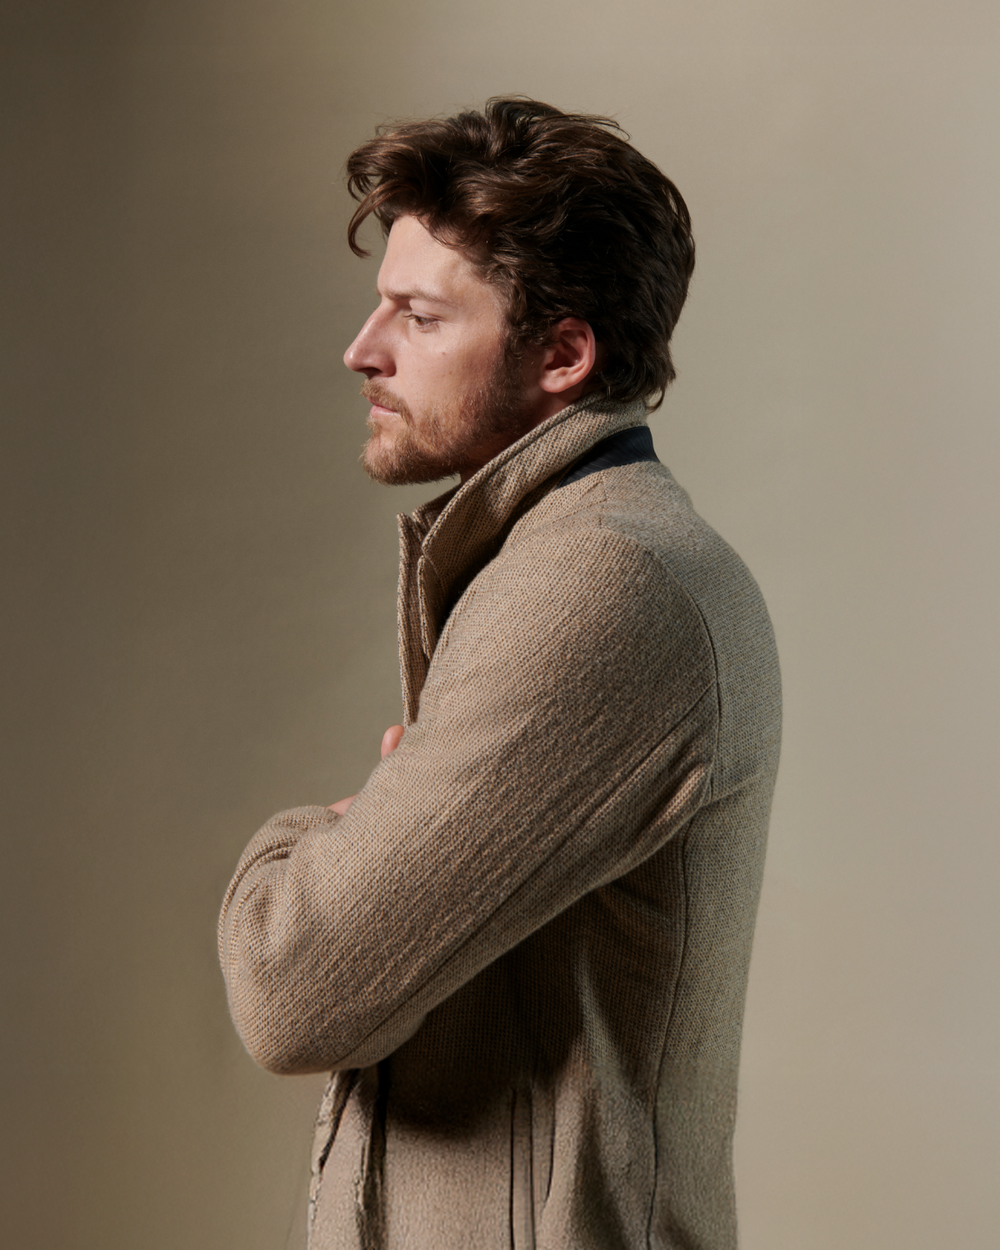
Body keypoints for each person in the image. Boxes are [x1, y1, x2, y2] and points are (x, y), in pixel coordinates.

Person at [219, 97, 781, 1250]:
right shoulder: (561, 557)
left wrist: (309, 838)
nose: (360, 348)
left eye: (419, 317)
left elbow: (296, 983)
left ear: (563, 354)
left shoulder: (599, 587)